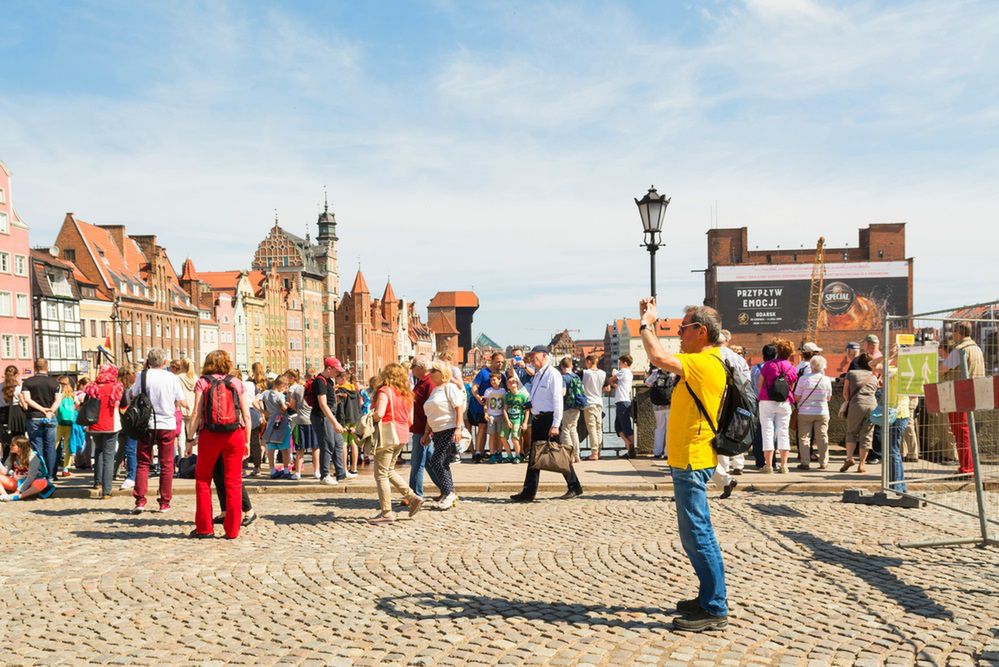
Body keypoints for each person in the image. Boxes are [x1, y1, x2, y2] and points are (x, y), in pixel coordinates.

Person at [638, 298, 728, 632]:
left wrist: (646, 322)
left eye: (683, 328)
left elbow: (657, 357)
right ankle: (708, 596)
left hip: (693, 459)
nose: (678, 333)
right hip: (687, 458)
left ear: (700, 332)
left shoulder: (705, 362)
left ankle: (715, 607)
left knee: (698, 534)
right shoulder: (701, 360)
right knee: (693, 534)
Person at [189, 349, 252, 539]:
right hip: (235, 434)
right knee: (233, 482)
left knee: (202, 480)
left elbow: (196, 413)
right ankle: (232, 530)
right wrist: (248, 441)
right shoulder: (236, 382)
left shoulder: (203, 382)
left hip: (210, 434)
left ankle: (204, 528)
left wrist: (190, 439)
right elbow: (246, 415)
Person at [510, 345, 583, 503]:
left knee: (558, 455)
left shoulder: (553, 374)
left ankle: (574, 486)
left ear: (544, 356)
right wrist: (531, 404)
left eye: (534, 357)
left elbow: (557, 400)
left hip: (549, 420)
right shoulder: (537, 375)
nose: (531, 360)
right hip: (538, 418)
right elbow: (538, 395)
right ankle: (529, 492)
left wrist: (556, 424)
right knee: (535, 457)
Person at [126, 349, 188, 513]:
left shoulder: (142, 375)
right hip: (167, 423)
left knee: (144, 462)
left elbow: (132, 394)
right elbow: (181, 400)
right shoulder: (172, 378)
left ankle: (140, 500)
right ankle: (164, 502)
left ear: (148, 361)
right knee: (167, 464)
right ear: (165, 362)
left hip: (146, 424)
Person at [368, 363, 423, 524]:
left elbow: (379, 413)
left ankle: (386, 512)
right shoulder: (407, 394)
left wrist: (369, 418)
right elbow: (411, 420)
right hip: (402, 435)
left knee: (381, 474)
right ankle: (412, 497)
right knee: (389, 470)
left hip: (387, 435)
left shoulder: (385, 391)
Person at [940, 321, 985, 475]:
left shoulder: (960, 349)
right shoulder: (976, 348)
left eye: (953, 332)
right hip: (974, 393)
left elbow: (942, 369)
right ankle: (970, 466)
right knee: (967, 432)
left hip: (958, 395)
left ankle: (966, 468)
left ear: (958, 332)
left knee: (961, 432)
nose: (952, 335)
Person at [422, 360, 464, 509]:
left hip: (449, 429)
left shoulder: (450, 388)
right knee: (443, 463)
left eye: (434, 370)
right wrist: (426, 433)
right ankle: (448, 493)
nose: (431, 373)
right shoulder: (435, 390)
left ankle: (449, 493)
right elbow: (430, 414)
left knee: (436, 461)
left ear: (442, 373)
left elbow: (458, 408)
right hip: (437, 431)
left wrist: (458, 428)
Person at [713, 330, 750, 493]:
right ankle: (739, 464)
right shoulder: (738, 358)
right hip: (737, 400)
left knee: (719, 434)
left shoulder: (711, 357)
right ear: (726, 342)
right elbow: (747, 382)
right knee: (736, 431)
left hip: (717, 401)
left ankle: (724, 469)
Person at [310, 356, 354, 486]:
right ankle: (325, 475)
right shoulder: (319, 381)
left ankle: (341, 473)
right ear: (329, 369)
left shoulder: (329, 381)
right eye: (336, 370)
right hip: (322, 416)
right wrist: (335, 423)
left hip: (330, 416)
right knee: (327, 444)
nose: (338, 373)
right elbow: (323, 405)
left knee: (338, 442)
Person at [757, 339, 798, 474]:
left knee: (767, 432)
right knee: (783, 432)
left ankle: (768, 466)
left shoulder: (768, 365)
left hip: (766, 401)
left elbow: (760, 384)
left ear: (777, 351)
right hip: (784, 402)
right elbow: (791, 388)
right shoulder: (792, 368)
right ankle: (784, 465)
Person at [85, 364, 124, 499]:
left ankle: (97, 482)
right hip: (111, 424)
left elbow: (85, 403)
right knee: (109, 456)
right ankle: (106, 491)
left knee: (98, 451)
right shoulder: (116, 386)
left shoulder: (92, 386)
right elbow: (123, 403)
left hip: (95, 424)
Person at [19, 358, 61, 483]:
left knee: (37, 447)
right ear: (47, 367)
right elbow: (58, 400)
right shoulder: (55, 383)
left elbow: (27, 399)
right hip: (50, 418)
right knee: (50, 447)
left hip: (34, 417)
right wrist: (50, 411)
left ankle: (40, 474)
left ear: (35, 367)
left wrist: (42, 409)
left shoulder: (28, 382)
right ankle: (51, 475)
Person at [408, 356, 443, 500]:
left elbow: (431, 409)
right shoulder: (423, 382)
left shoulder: (429, 383)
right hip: (421, 427)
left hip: (423, 429)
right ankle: (446, 489)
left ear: (420, 367)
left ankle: (415, 495)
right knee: (429, 462)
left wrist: (427, 432)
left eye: (413, 367)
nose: (412, 371)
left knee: (417, 463)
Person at [841, 353, 879, 473]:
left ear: (859, 362)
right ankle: (861, 464)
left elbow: (845, 393)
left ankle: (849, 458)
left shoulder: (851, 374)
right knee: (867, 435)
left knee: (852, 432)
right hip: (872, 405)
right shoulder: (874, 375)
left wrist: (848, 402)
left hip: (856, 404)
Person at [793, 355, 832, 470]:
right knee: (822, 436)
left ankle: (805, 462)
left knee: (804, 437)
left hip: (805, 412)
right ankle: (824, 462)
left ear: (811, 365)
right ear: (823, 366)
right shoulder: (826, 380)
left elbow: (797, 397)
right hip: (822, 411)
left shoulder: (803, 379)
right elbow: (828, 398)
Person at [471, 352, 506, 463]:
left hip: (496, 410)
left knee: (495, 432)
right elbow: (474, 386)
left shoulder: (502, 376)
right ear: (492, 360)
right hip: (482, 406)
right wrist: (477, 397)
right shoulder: (483, 373)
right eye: (498, 361)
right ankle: (478, 452)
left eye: (502, 362)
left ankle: (494, 452)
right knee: (482, 428)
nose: (500, 364)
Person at [0, 435, 55, 502]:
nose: (10, 446)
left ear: (20, 447)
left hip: (32, 483)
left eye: (13, 445)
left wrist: (18, 491)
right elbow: (4, 472)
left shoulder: (33, 457)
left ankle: (18, 497)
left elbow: (31, 477)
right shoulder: (12, 455)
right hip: (18, 482)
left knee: (43, 482)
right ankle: (5, 495)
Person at [749, 345, 776, 469]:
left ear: (763, 354)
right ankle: (772, 460)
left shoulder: (755, 369)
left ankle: (759, 460)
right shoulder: (776, 367)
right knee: (772, 431)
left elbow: (752, 385)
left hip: (757, 402)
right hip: (773, 401)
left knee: (758, 431)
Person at [260, 375, 292, 478]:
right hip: (281, 423)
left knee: (271, 447)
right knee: (284, 448)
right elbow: (283, 408)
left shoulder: (265, 393)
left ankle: (272, 470)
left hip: (271, 423)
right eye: (285, 386)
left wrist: (263, 411)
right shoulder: (280, 395)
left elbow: (255, 402)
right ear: (282, 385)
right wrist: (287, 405)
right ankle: (286, 470)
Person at [289, 369, 316, 480]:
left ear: (305, 377)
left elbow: (292, 405)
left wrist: (300, 409)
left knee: (300, 449)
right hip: (313, 421)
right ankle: (317, 471)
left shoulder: (298, 389)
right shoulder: (316, 389)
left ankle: (298, 472)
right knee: (316, 448)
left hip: (300, 421)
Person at [171, 358, 197, 472]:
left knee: (181, 438)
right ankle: (195, 462)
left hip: (180, 409)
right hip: (193, 410)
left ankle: (182, 463)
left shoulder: (177, 378)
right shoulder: (196, 378)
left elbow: (176, 394)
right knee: (192, 438)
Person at [558, 357, 584, 463]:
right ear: (571, 366)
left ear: (562, 367)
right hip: (577, 406)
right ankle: (577, 455)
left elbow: (563, 393)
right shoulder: (576, 377)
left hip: (567, 406)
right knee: (573, 430)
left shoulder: (563, 378)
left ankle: (570, 455)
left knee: (565, 430)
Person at [581, 354, 606, 460]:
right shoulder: (603, 373)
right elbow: (606, 387)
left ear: (589, 362)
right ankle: (598, 451)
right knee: (598, 428)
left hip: (589, 403)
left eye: (586, 362)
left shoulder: (585, 373)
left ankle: (594, 452)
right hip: (599, 402)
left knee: (592, 428)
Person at [53, 376, 78, 477]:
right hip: (69, 423)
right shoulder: (72, 394)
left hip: (58, 423)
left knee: (54, 445)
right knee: (67, 447)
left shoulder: (58, 393)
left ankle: (51, 468)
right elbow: (78, 403)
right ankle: (65, 469)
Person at [609, 355, 634, 457]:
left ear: (625, 363)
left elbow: (611, 379)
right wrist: (616, 385)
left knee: (626, 427)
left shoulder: (624, 371)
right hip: (622, 401)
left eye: (620, 362)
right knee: (618, 426)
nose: (619, 364)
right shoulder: (627, 373)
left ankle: (632, 449)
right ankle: (629, 444)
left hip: (623, 401)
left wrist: (613, 376)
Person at [644, 367, 671, 460]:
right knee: (669, 429)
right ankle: (667, 452)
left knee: (659, 428)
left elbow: (647, 383)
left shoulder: (656, 373)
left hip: (657, 405)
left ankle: (657, 451)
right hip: (670, 405)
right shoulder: (673, 373)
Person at [501, 375, 529, 463]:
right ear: (507, 385)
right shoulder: (507, 396)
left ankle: (518, 455)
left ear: (517, 383)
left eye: (514, 381)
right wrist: (507, 420)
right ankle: (509, 455)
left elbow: (527, 411)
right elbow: (504, 410)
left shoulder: (523, 395)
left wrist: (525, 423)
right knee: (502, 437)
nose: (512, 383)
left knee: (514, 438)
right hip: (508, 419)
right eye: (510, 382)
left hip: (518, 419)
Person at [0, 365, 25, 462]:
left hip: (2, 414)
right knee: (19, 440)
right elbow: (24, 404)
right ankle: (18, 462)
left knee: (5, 441)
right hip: (17, 414)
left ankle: (6, 461)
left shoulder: (0, 386)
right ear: (17, 374)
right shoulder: (19, 387)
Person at [482, 372, 508, 463]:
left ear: (499, 380)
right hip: (491, 415)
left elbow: (505, 404)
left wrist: (506, 415)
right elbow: (485, 404)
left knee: (501, 436)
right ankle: (492, 453)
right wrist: (485, 413)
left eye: (494, 380)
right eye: (491, 380)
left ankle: (499, 452)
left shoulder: (503, 391)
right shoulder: (488, 391)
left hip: (501, 415)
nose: (492, 381)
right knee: (492, 435)